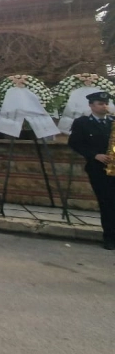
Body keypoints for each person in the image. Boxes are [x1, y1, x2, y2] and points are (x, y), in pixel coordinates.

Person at [68, 91, 115, 250]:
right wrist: (94, 155)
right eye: (100, 104)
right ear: (91, 105)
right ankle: (109, 237)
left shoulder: (112, 121)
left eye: (106, 103)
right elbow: (75, 143)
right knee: (107, 202)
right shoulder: (82, 123)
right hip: (98, 168)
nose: (104, 106)